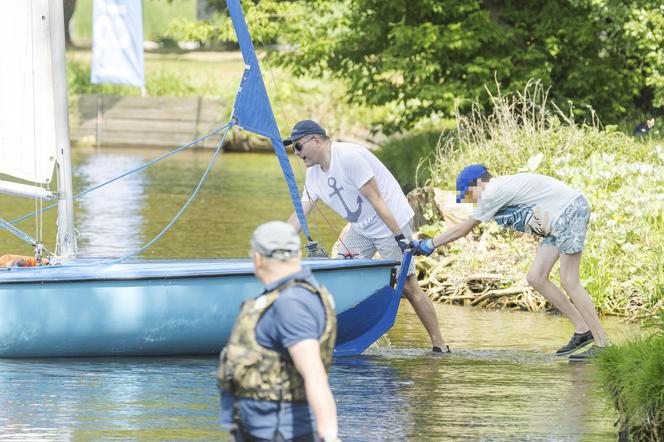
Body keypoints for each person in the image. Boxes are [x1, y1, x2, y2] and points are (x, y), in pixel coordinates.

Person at [411, 165, 609, 361]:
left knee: (569, 281)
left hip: (569, 212)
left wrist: (430, 244)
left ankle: (603, 344)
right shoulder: (498, 190)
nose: (473, 201)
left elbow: (464, 229)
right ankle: (583, 329)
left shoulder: (492, 192)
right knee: (536, 277)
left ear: (478, 183)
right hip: (557, 220)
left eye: (470, 195)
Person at [284, 120, 449, 354]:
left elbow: (377, 200)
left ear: (316, 140)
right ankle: (349, 334)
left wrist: (400, 237)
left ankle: (439, 344)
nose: (296, 153)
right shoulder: (313, 174)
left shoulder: (349, 157)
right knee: (339, 274)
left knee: (409, 286)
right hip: (361, 227)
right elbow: (301, 212)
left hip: (390, 223)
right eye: (292, 148)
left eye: (298, 146)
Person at [217, 221, 340, 442]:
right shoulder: (295, 295)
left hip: (279, 433)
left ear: (257, 258)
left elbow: (314, 373)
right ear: (298, 255)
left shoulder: (291, 303)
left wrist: (329, 436)